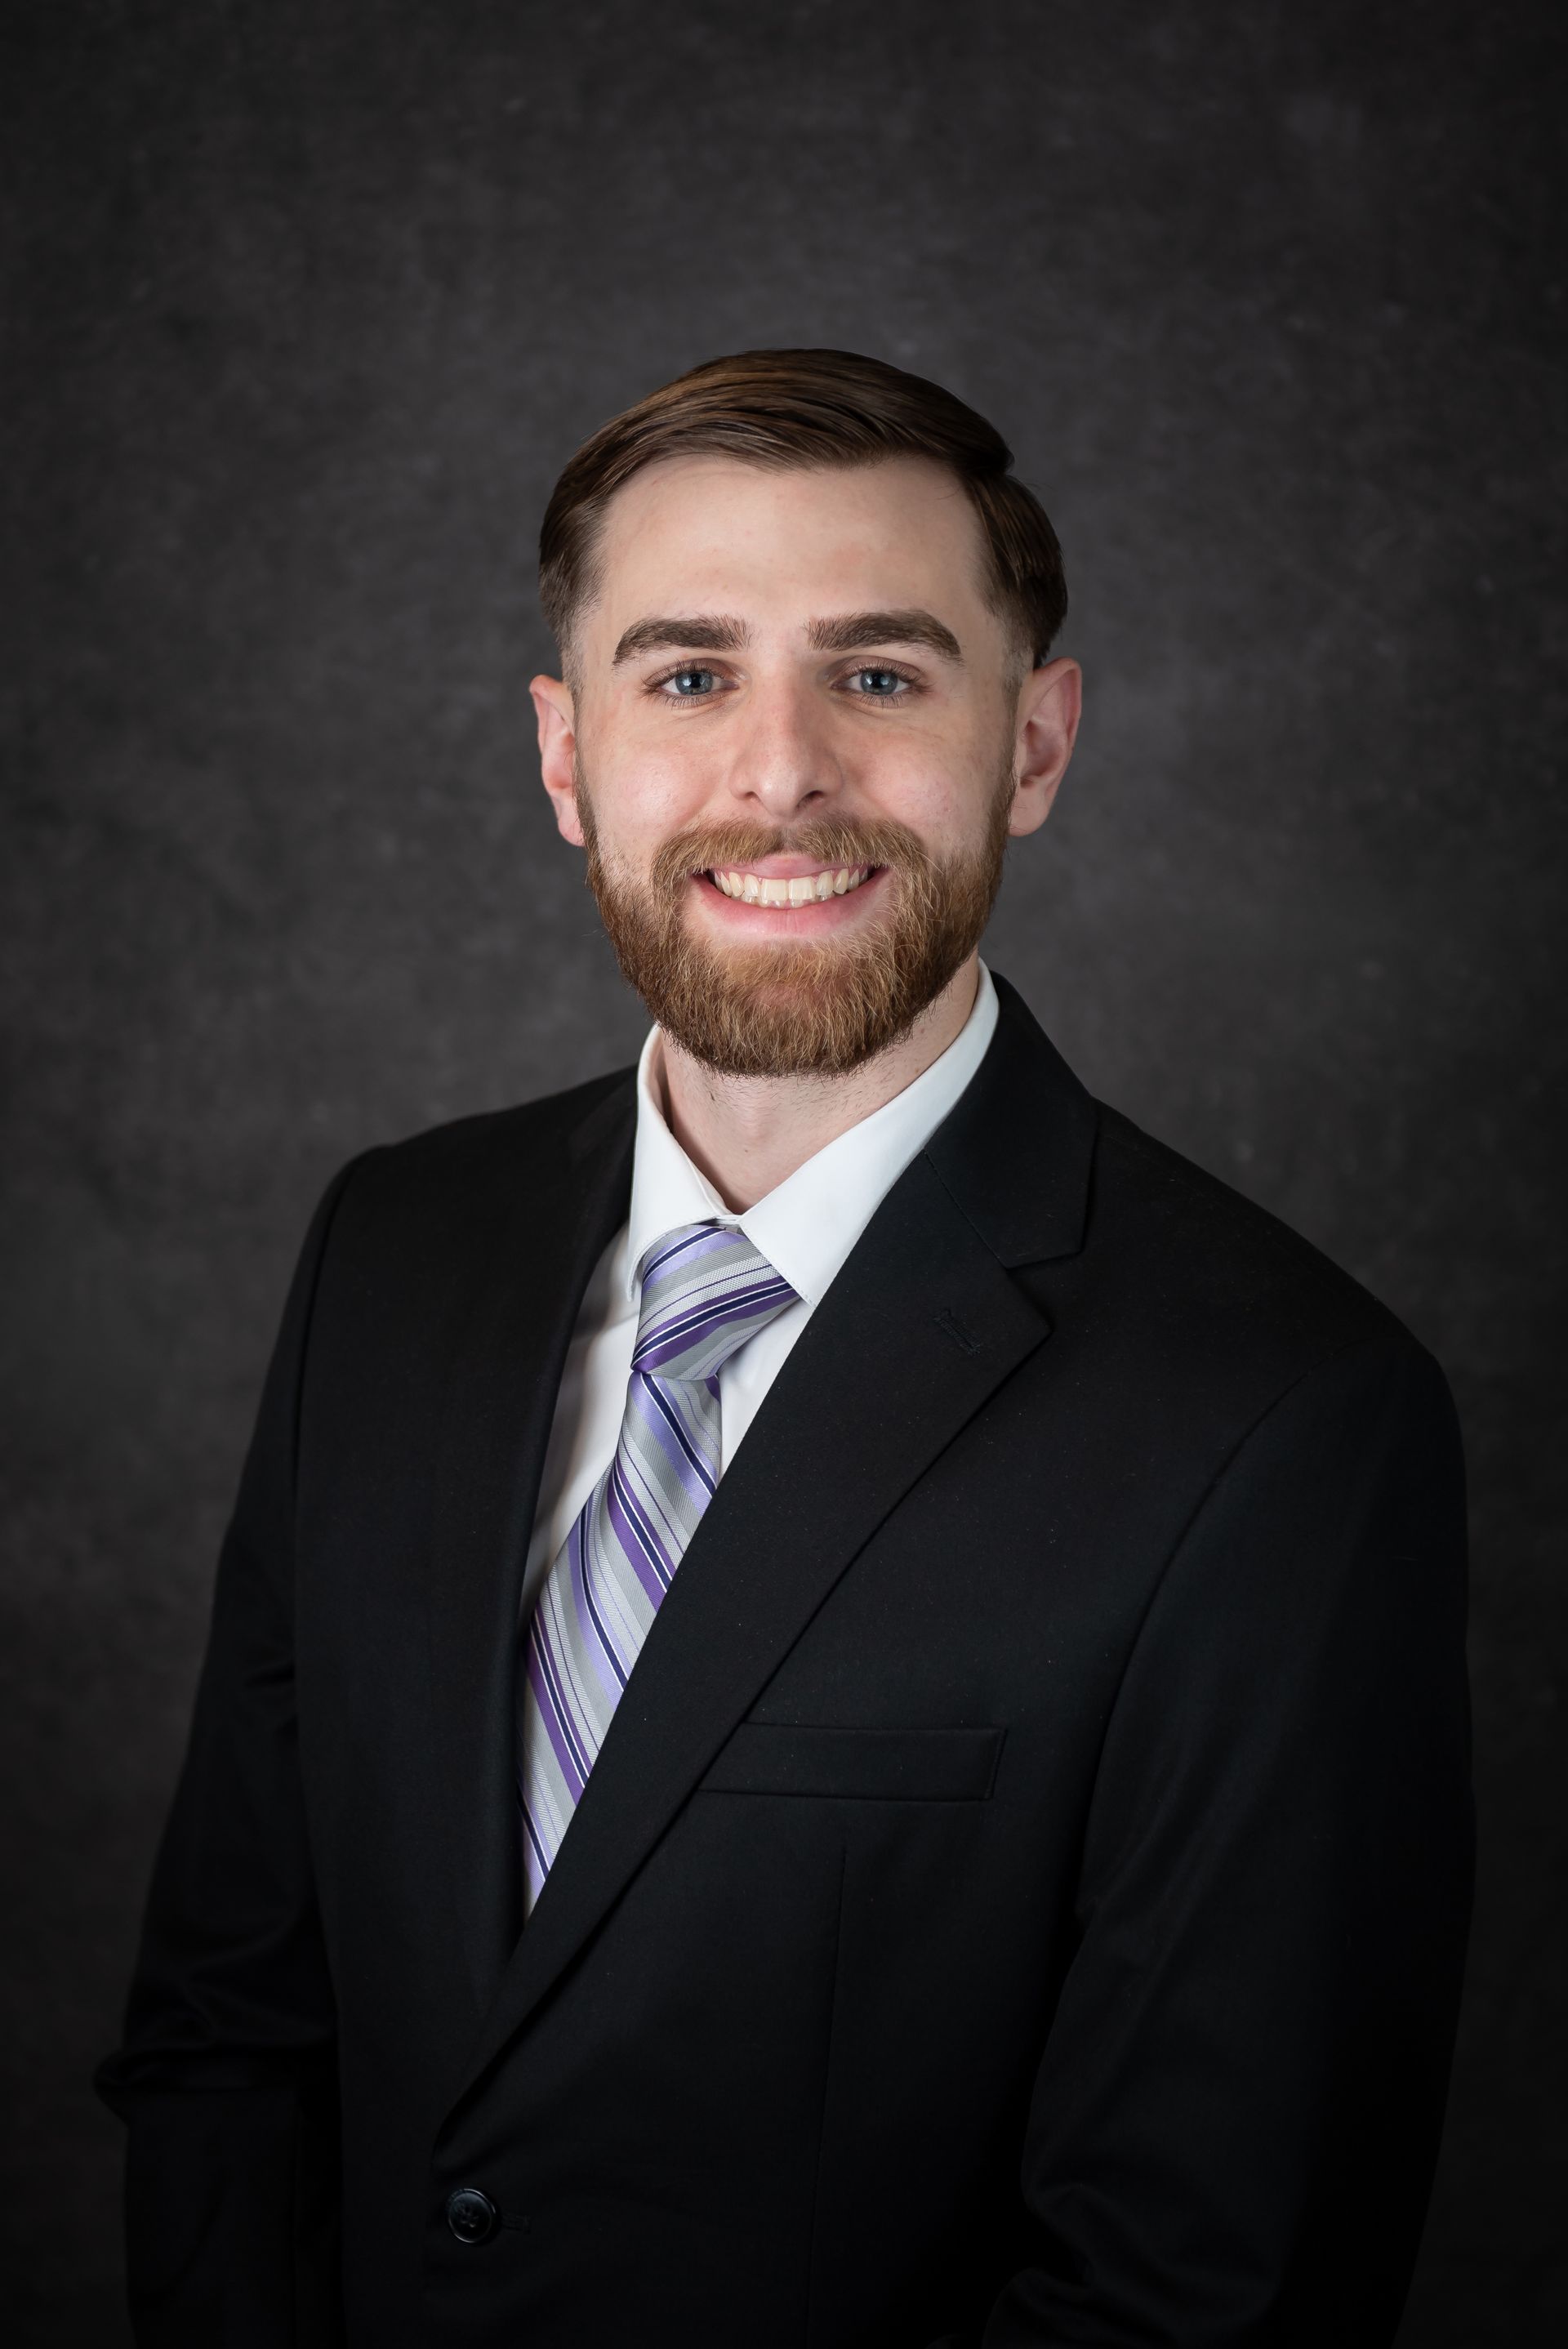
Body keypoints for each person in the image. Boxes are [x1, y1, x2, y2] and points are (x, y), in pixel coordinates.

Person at [98, 349, 1472, 2348]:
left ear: (1035, 744)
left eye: (883, 674)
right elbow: (233, 2022)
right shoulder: (392, 1250)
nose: (780, 775)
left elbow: (1201, 2287)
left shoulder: (1286, 1422)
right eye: (687, 675)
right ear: (565, 756)